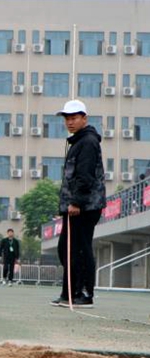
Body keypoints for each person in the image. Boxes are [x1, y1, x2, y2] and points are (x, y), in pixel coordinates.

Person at [51, 99, 105, 308]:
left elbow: (85, 176)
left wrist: (76, 202)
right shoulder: (78, 142)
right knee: (66, 249)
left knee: (80, 249)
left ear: (84, 118)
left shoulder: (88, 142)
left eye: (74, 118)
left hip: (84, 207)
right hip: (75, 207)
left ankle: (84, 293)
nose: (70, 122)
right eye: (67, 118)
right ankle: (69, 292)